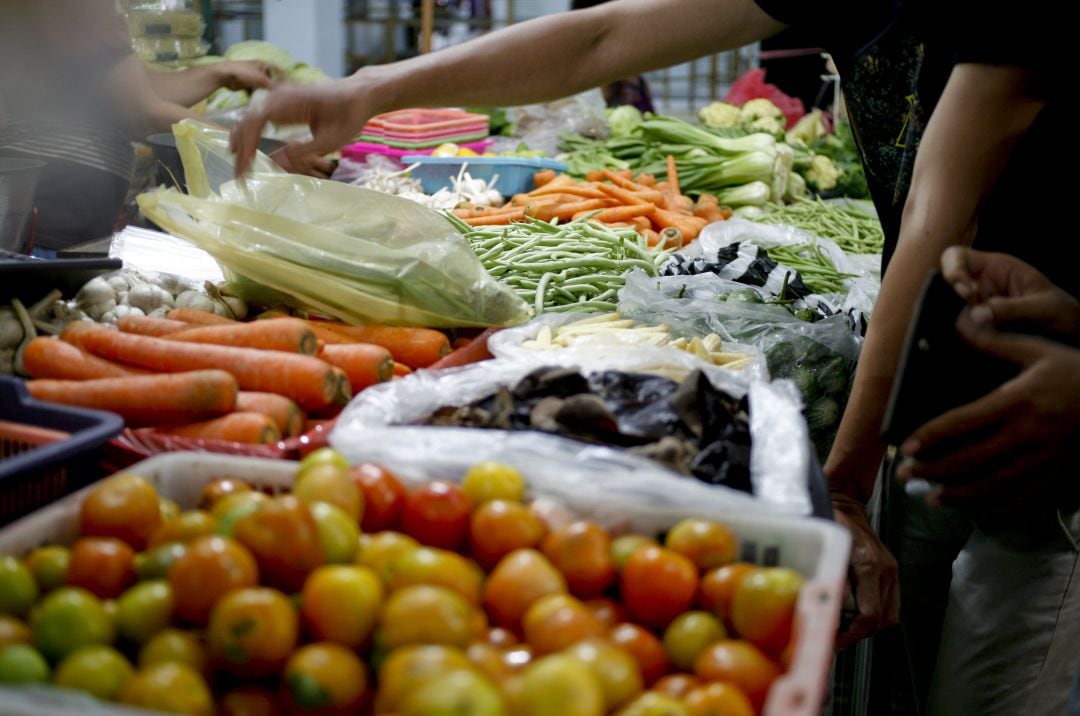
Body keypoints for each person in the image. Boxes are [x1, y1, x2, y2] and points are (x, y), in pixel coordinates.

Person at [228, 0, 1075, 709]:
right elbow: (610, 36)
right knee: (900, 677)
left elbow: (935, 217)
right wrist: (373, 88)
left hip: (1050, 431)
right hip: (934, 399)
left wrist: (847, 483)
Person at [0, 0, 275, 251]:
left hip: (54, 214)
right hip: (46, 216)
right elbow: (141, 113)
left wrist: (217, 73)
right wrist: (263, 158)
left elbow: (127, 92)